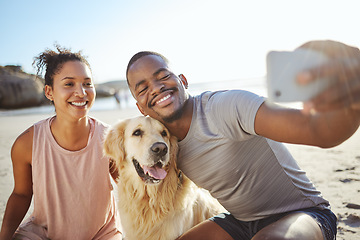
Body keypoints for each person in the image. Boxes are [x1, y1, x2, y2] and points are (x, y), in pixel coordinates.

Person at [125, 40, 360, 240]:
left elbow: (321, 131)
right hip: (241, 221)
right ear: (139, 105)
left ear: (183, 80)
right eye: (143, 88)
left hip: (305, 215)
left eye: (163, 76)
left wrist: (352, 92)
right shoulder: (165, 143)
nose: (156, 88)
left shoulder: (228, 106)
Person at [0, 46, 122, 240]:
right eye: (69, 84)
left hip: (102, 234)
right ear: (49, 92)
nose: (81, 92)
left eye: (87, 83)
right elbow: (21, 194)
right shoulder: (26, 144)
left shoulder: (109, 138)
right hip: (43, 233)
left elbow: (128, 185)